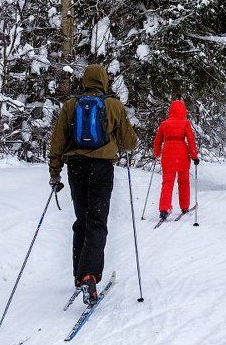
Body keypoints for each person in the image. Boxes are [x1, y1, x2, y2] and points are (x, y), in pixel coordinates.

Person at [48, 64, 137, 303]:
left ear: (85, 80)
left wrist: (54, 173)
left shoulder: (70, 105)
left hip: (75, 167)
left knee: (82, 220)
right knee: (97, 221)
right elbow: (129, 143)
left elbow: (57, 142)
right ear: (104, 81)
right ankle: (89, 275)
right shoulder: (114, 105)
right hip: (101, 168)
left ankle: (80, 275)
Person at [153, 99, 199, 220]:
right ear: (183, 110)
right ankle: (184, 206)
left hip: (168, 154)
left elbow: (157, 141)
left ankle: (164, 208)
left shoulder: (164, 124)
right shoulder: (185, 123)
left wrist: (157, 152)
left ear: (171, 111)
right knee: (184, 181)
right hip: (182, 155)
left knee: (167, 182)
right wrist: (194, 156)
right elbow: (191, 141)